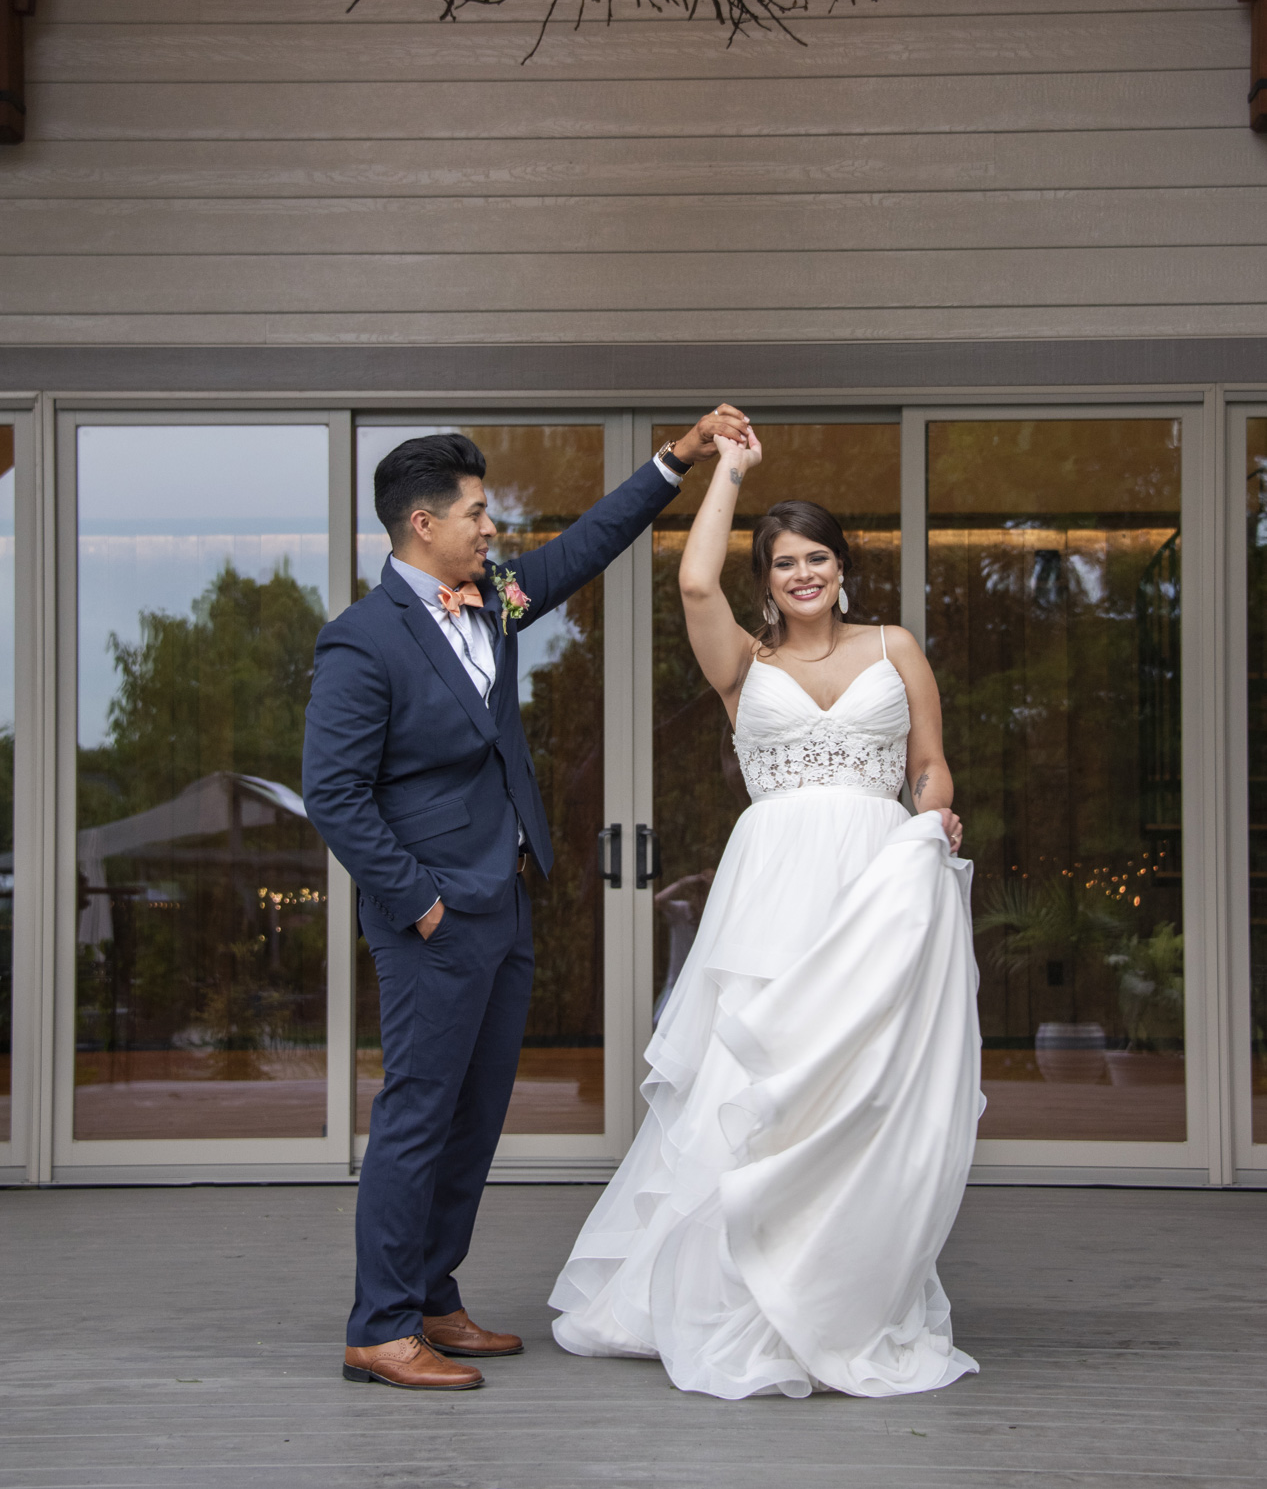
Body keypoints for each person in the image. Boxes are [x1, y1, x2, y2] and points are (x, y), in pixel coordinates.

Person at [302, 407, 751, 1392]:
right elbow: (333, 793)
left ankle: (430, 1294)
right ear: (423, 524)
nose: (490, 526)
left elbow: (587, 544)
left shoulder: (492, 595)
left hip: (502, 903)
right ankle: (378, 1325)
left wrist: (674, 460)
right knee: (419, 1112)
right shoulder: (361, 642)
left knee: (475, 1115)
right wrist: (416, 899)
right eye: (474, 512)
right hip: (432, 915)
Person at [550, 427, 982, 1399]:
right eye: (782, 562)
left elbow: (928, 760)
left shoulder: (894, 647)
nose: (801, 574)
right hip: (774, 891)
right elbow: (694, 583)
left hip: (877, 886)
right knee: (751, 1083)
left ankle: (843, 1288)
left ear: (842, 567)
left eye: (815, 557)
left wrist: (934, 817)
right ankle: (729, 1287)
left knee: (857, 1087)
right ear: (765, 579)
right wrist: (727, 470)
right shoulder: (742, 665)